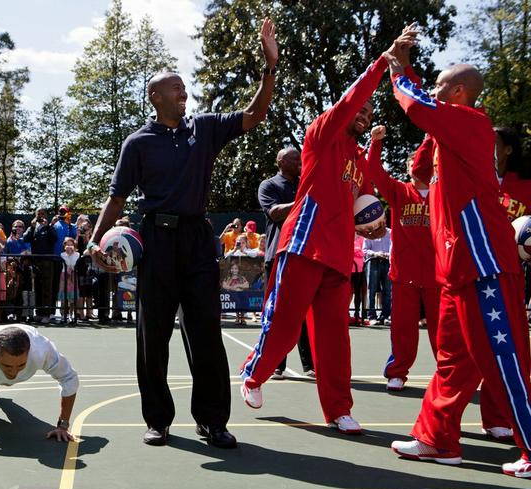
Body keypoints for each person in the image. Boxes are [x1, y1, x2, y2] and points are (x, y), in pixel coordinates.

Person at [88, 18, 280, 448]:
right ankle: (158, 419)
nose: (184, 93)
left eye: (184, 87)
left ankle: (212, 420)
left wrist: (269, 68)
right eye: (175, 88)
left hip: (196, 240)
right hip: (155, 240)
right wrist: (93, 241)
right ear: (155, 96)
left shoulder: (205, 127)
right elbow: (116, 199)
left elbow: (255, 114)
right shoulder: (137, 143)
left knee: (206, 332)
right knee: (152, 335)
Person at [239, 28, 413, 435]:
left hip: (337, 256)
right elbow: (351, 99)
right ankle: (253, 374)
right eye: (361, 112)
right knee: (282, 325)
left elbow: (369, 201)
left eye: (371, 114)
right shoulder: (321, 135)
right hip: (302, 246)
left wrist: (376, 225)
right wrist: (382, 63)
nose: (365, 116)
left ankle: (338, 409)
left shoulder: (358, 160)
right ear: (344, 113)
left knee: (335, 339)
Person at [384, 30, 531, 478]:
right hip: (456, 267)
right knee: (452, 359)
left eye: (442, 86)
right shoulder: (450, 135)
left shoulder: (471, 123)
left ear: (461, 93)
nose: (434, 91)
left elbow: (416, 105)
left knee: (505, 359)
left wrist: (398, 70)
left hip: (483, 262)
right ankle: (438, 439)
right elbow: (418, 167)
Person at [367, 128, 440, 391]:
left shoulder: (443, 193)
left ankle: (446, 375)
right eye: (411, 164)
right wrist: (376, 143)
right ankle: (397, 372)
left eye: (419, 162)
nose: (415, 167)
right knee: (402, 329)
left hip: (437, 274)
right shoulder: (399, 191)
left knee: (442, 332)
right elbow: (374, 172)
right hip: (404, 273)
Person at [258, 147, 315, 378]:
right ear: (281, 161)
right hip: (278, 254)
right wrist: (304, 201)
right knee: (276, 311)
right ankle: (276, 365)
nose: (299, 160)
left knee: (302, 311)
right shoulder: (269, 186)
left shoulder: (306, 182)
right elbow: (274, 213)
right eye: (294, 157)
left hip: (302, 254)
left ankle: (309, 365)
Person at [23, 208, 57, 323]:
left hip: (47, 262)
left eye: (43, 214)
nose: (41, 216)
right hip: (35, 262)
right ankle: (38, 313)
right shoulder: (33, 227)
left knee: (47, 288)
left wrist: (47, 226)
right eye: (39, 214)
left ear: (46, 215)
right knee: (37, 287)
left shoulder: (49, 227)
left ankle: (46, 314)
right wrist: (32, 227)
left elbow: (54, 239)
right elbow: (25, 239)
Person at [363, 225, 392, 325]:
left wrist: (387, 254)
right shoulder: (370, 232)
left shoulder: (390, 233)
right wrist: (376, 253)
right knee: (371, 290)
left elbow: (394, 248)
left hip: (387, 262)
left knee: (387, 291)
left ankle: (386, 316)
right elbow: (365, 250)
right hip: (373, 262)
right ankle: (371, 316)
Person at [58, 237, 79, 322]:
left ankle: (71, 315)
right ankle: (63, 315)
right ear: (64, 246)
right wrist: (68, 254)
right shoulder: (62, 254)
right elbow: (67, 264)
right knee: (64, 296)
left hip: (73, 276)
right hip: (64, 275)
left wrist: (71, 254)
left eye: (71, 245)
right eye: (67, 245)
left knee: (72, 297)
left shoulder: (77, 254)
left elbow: (72, 264)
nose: (69, 246)